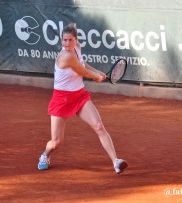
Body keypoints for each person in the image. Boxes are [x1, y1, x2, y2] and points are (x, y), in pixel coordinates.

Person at [38, 23, 128, 174]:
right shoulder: (66, 56)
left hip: (79, 96)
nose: (67, 43)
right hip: (61, 99)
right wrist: (96, 77)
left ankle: (116, 161)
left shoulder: (77, 48)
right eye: (64, 40)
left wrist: (97, 71)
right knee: (56, 142)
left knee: (99, 126)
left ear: (76, 40)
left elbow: (83, 64)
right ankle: (44, 155)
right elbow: (83, 72)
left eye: (70, 40)